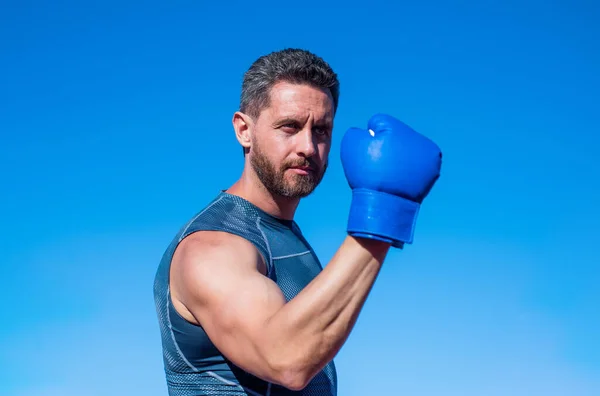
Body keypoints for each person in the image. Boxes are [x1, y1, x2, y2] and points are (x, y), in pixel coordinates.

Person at [153, 48, 442, 395]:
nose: (308, 145)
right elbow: (286, 358)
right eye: (289, 126)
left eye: (321, 130)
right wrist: (381, 212)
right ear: (244, 130)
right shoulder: (211, 247)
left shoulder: (285, 236)